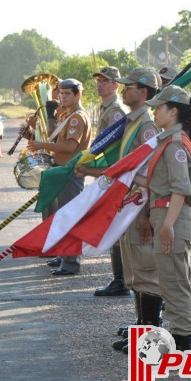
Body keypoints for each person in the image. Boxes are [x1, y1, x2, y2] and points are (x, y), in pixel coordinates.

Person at [78, 67, 161, 351]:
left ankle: (151, 337)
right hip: (128, 206)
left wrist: (148, 215)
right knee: (135, 273)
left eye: (129, 87)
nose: (123, 90)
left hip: (139, 208)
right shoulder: (131, 122)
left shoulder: (146, 125)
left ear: (145, 92)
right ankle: (141, 326)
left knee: (146, 273)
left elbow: (151, 174)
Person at [142, 85, 191, 351]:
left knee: (176, 283)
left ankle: (182, 343)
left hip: (172, 217)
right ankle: (178, 339)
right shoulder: (167, 140)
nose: (155, 112)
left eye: (160, 108)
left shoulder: (175, 143)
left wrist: (167, 224)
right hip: (166, 215)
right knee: (169, 281)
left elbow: (181, 187)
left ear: (174, 111)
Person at [28, 78, 91, 276]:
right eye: (60, 93)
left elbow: (70, 147)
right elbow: (52, 135)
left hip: (71, 171)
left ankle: (71, 262)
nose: (62, 97)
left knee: (69, 216)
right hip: (61, 170)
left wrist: (42, 146)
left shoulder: (77, 118)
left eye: (67, 94)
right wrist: (48, 117)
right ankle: (64, 255)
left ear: (78, 95)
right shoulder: (66, 114)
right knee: (62, 215)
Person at [84, 66, 130, 294]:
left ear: (116, 85)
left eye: (106, 80)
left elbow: (114, 152)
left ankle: (122, 280)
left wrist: (93, 170)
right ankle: (119, 278)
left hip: (117, 177)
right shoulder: (105, 108)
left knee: (118, 229)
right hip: (110, 176)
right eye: (99, 80)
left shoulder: (115, 111)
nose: (100, 84)